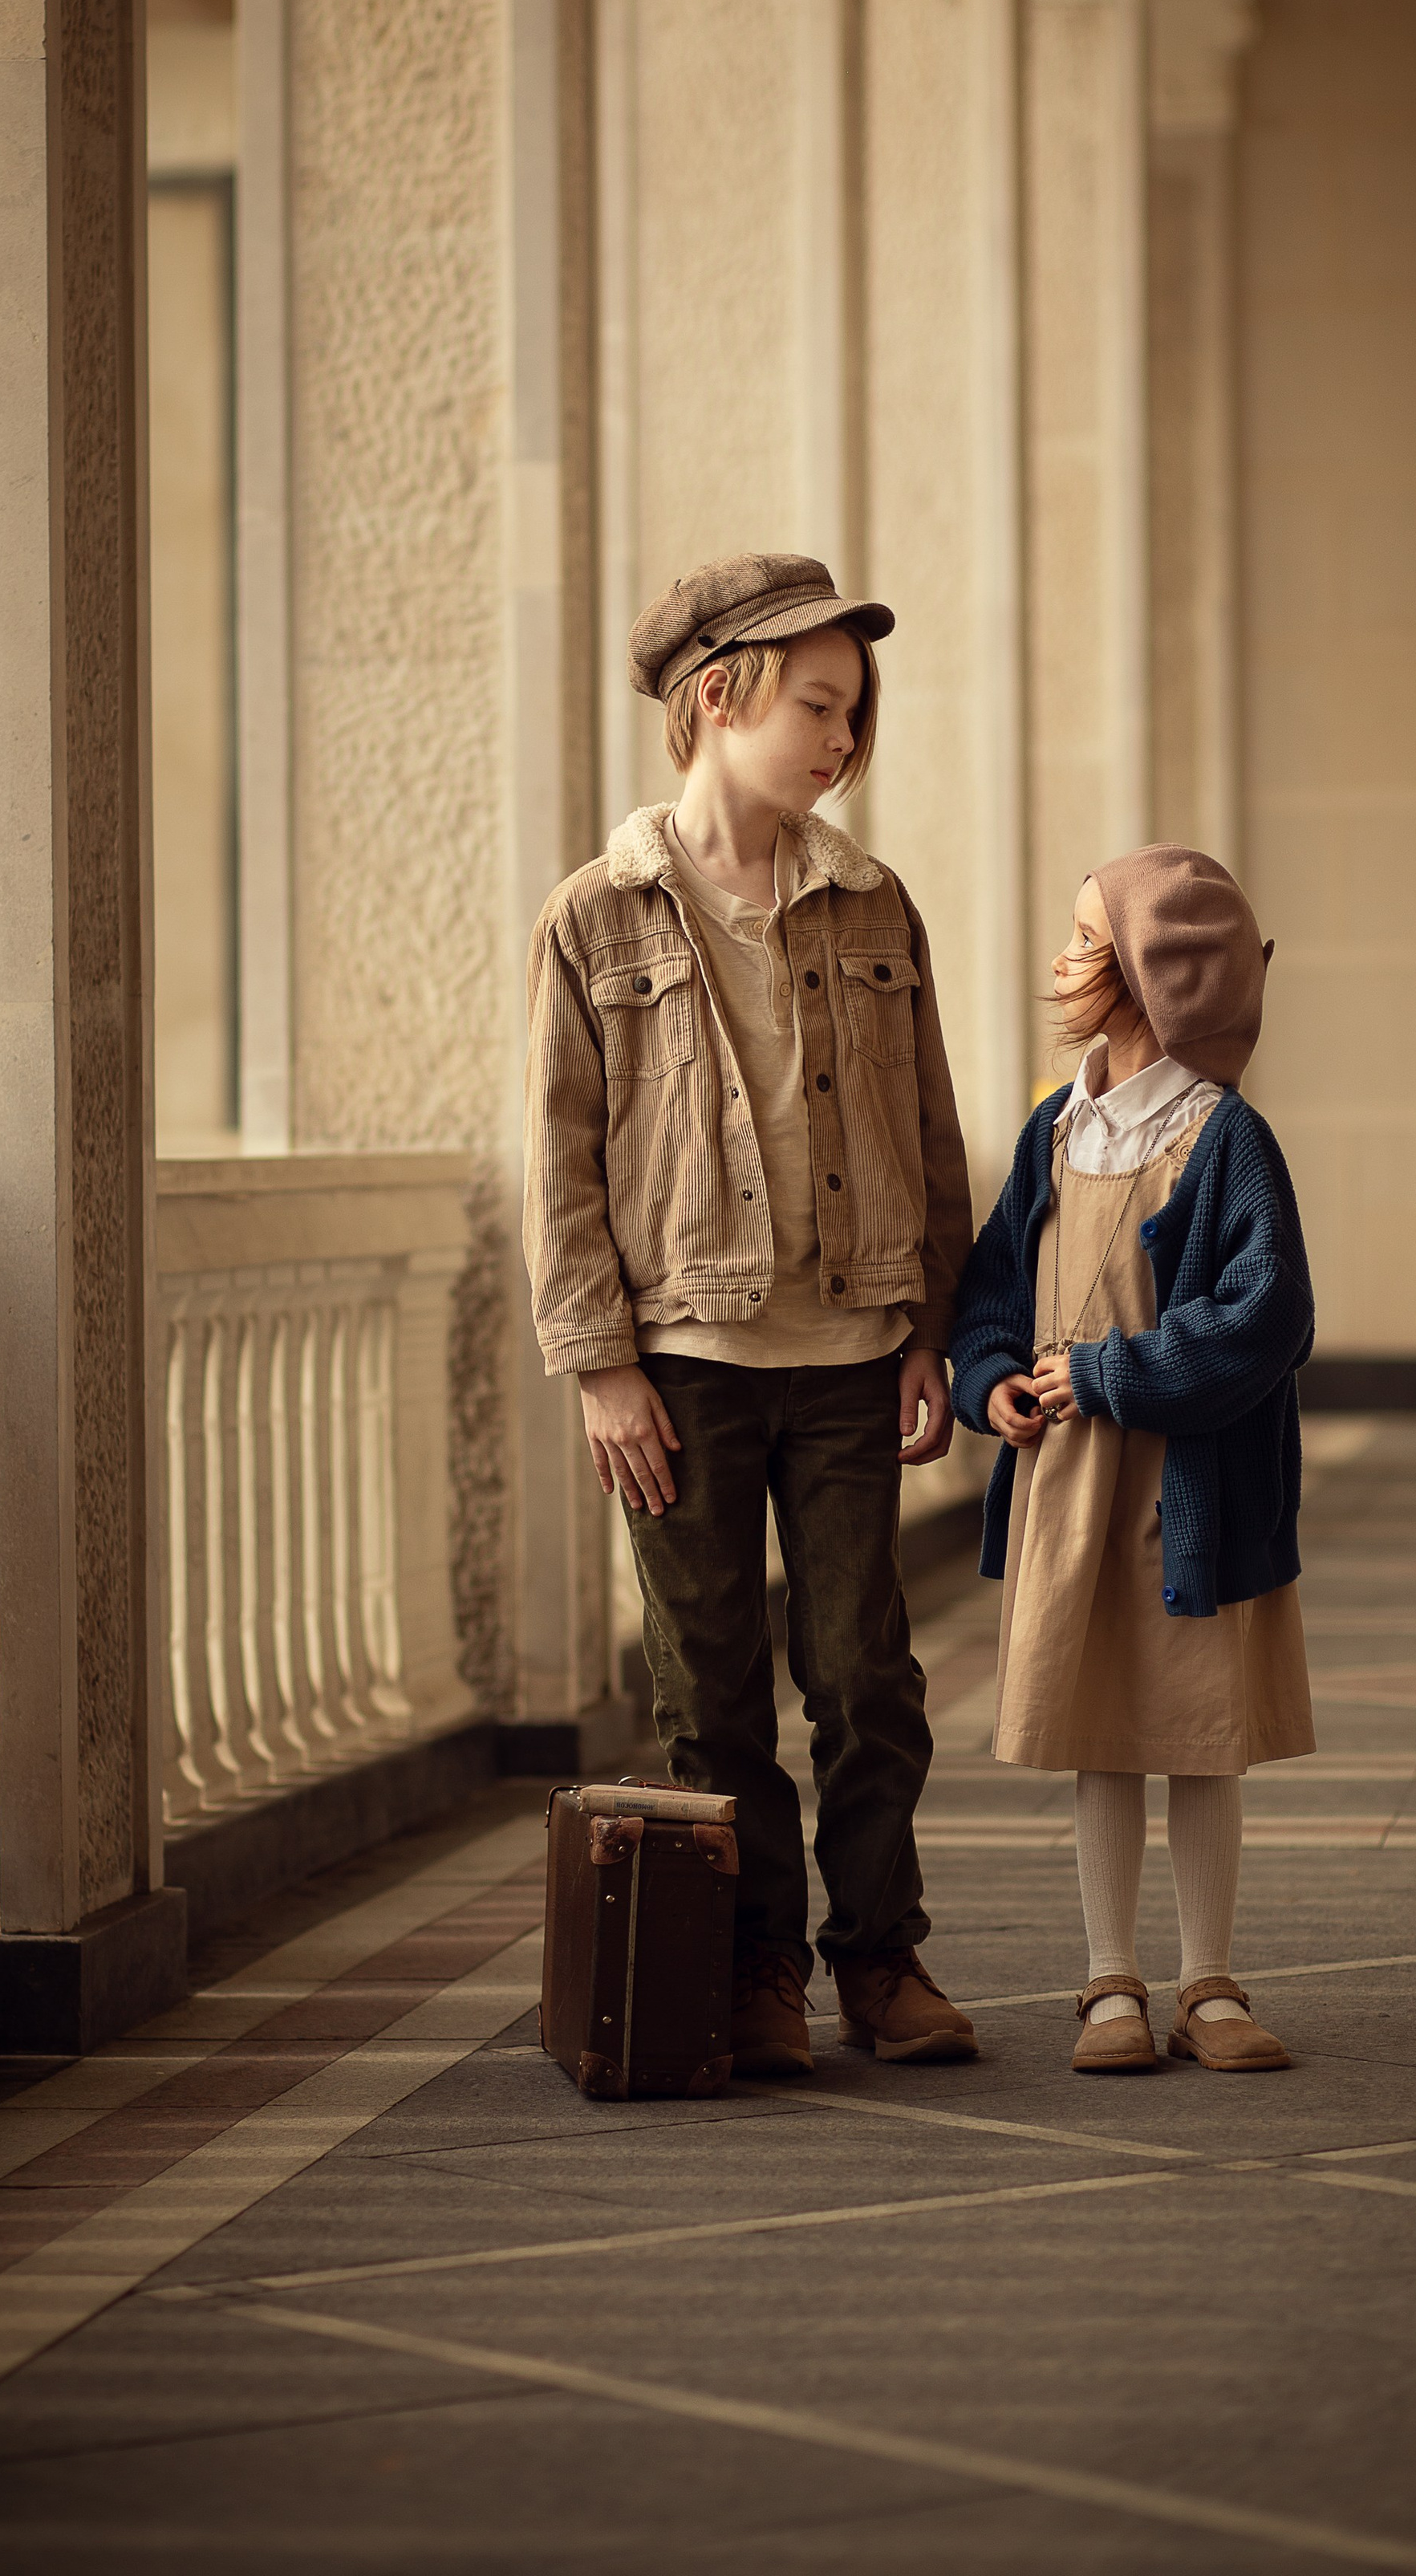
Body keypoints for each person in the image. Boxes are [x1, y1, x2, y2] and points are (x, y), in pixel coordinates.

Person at [524, 551, 977, 2078]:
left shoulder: (870, 899)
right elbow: (560, 1162)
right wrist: (598, 1370)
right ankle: (755, 1971)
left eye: (857, 710)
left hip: (851, 1354)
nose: (845, 738)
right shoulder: (594, 919)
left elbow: (929, 1128)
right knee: (709, 1695)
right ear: (717, 695)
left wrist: (933, 1328)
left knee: (863, 1679)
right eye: (821, 704)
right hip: (684, 1370)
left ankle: (882, 1961)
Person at [949, 847, 1316, 2073]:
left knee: (1200, 1732)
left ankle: (1210, 1982)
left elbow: (1269, 1318)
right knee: (1097, 1727)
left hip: (1189, 1489)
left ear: (1153, 974)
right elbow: (996, 1281)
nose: (1063, 960)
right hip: (1070, 1489)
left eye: (1082, 940)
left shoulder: (1227, 1139)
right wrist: (990, 1373)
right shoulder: (1056, 1130)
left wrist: (1112, 1373)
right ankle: (1111, 1982)